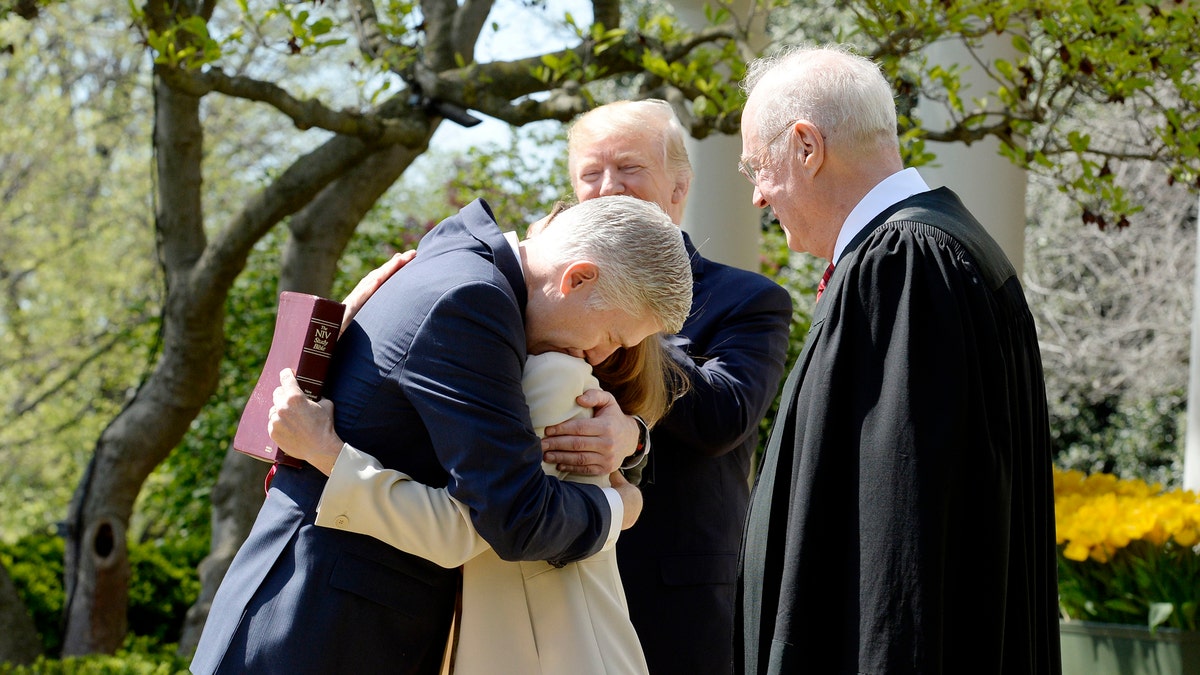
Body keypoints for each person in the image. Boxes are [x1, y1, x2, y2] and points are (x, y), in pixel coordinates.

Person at [190, 195, 693, 675]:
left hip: (315, 616)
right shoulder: (474, 302)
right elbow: (517, 516)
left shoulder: (459, 258)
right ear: (578, 279)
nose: (600, 358)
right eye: (611, 336)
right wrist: (620, 510)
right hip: (317, 631)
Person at [734, 46, 1061, 674]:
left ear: (807, 146)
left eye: (757, 168)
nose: (756, 197)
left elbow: (899, 537)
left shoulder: (905, 266)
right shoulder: (930, 249)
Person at [541, 99, 793, 675]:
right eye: (590, 174)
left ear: (679, 188)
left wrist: (627, 322)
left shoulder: (749, 300)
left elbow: (725, 415)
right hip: (548, 570)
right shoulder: (543, 294)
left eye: (629, 168)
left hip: (675, 601)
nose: (608, 189)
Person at [268, 340, 674, 674]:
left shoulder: (553, 372)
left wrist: (329, 455)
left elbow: (467, 528)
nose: (598, 349)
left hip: (549, 650)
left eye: (618, 336)